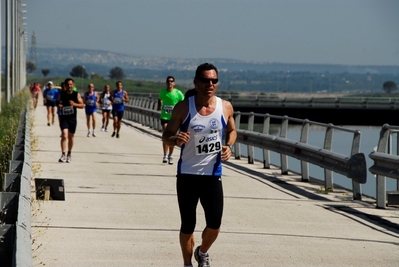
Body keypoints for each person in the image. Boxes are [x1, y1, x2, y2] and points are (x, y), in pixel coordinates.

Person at [162, 63, 237, 267]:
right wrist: (176, 139)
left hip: (212, 174)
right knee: (188, 225)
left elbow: (232, 130)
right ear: (196, 82)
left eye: (213, 80)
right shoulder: (184, 107)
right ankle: (187, 264)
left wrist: (229, 146)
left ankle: (202, 252)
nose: (210, 84)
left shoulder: (225, 106)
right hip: (187, 173)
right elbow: (166, 135)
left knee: (215, 223)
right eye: (205, 80)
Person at [157, 76, 184, 164]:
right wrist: (158, 105)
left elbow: (183, 102)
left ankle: (170, 155)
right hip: (164, 117)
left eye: (172, 81)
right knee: (166, 133)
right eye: (168, 81)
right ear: (166, 83)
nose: (170, 83)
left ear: (174, 83)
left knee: (172, 136)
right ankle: (165, 155)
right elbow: (159, 99)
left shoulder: (178, 93)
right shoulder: (163, 92)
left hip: (174, 118)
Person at [56, 78, 84, 163]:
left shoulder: (76, 95)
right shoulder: (62, 94)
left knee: (71, 137)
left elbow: (82, 105)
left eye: (71, 84)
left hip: (72, 118)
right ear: (65, 85)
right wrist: (59, 105)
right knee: (64, 135)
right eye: (68, 84)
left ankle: (69, 153)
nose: (69, 86)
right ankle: (63, 154)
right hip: (64, 118)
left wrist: (74, 104)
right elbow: (57, 102)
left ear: (73, 85)